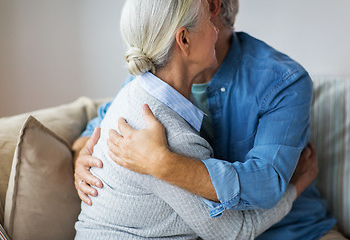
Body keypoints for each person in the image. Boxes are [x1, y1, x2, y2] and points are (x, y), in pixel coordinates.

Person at [73, 0, 344, 239]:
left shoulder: (282, 80)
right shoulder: (152, 78)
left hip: (292, 231)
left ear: (213, 5)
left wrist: (163, 163)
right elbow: (101, 124)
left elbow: (267, 183)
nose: (213, 31)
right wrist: (86, 160)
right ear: (184, 39)